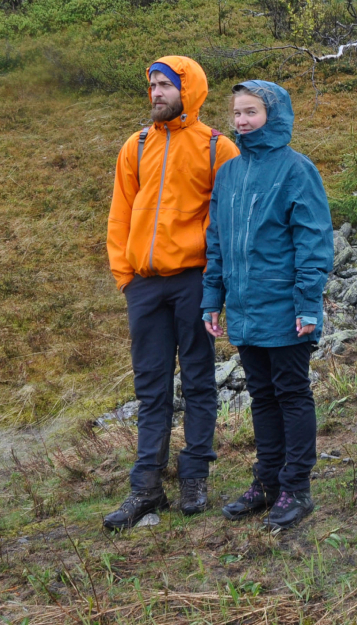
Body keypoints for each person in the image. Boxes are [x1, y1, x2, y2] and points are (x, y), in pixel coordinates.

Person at [103, 56, 239, 531]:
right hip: (143, 285)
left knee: (200, 379)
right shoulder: (136, 145)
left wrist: (215, 281)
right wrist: (125, 276)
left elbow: (225, 219)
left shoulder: (217, 149)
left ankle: (195, 477)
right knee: (151, 386)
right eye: (152, 85)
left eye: (165, 85)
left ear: (189, 89)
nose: (156, 93)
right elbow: (120, 215)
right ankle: (145, 488)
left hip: (194, 282)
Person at [201, 81, 333, 530]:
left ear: (272, 115)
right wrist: (212, 300)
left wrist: (308, 306)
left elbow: (313, 242)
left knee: (292, 393)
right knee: (261, 396)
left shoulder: (298, 170)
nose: (241, 121)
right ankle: (269, 482)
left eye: (251, 112)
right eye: (236, 112)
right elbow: (216, 243)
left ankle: (296, 487)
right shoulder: (230, 174)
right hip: (243, 308)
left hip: (286, 306)